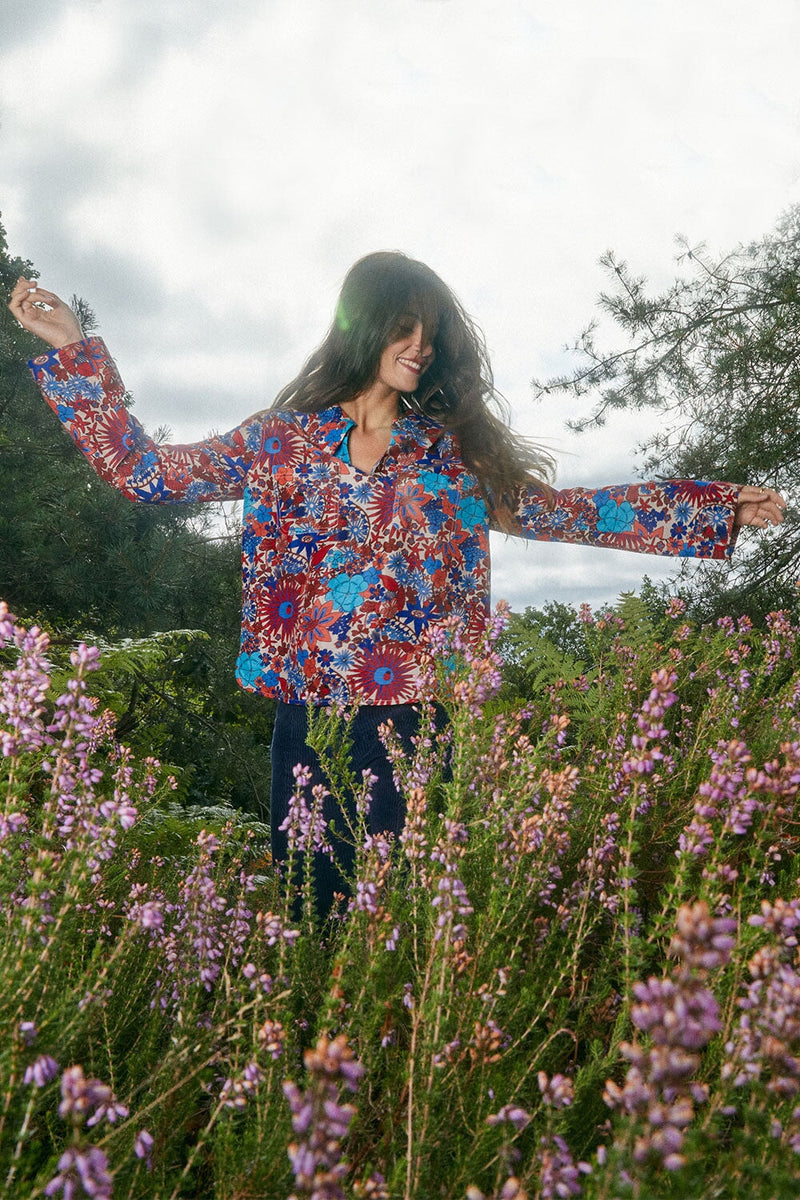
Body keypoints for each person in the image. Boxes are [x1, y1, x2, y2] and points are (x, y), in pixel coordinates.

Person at [8, 253, 786, 908]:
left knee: (411, 916)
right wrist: (75, 350)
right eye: (404, 327)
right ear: (364, 326)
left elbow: (562, 513)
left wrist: (711, 509)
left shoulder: (448, 456)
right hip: (311, 717)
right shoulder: (281, 440)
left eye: (430, 333)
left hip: (417, 723)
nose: (419, 346)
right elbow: (147, 474)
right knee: (314, 911)